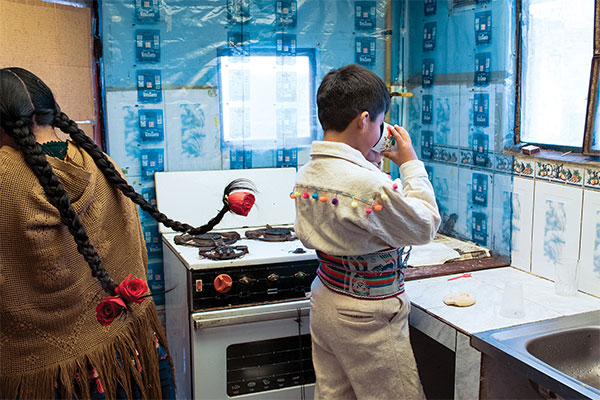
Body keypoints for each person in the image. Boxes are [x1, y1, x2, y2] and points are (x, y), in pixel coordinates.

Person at [0, 67, 255, 399]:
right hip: (132, 358)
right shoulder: (99, 160)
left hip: (61, 382)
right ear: (51, 111)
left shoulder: (6, 179)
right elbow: (136, 252)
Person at [293, 64, 441, 400]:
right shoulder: (366, 184)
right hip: (365, 315)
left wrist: (368, 160)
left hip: (328, 300)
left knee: (335, 394)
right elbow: (426, 224)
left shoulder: (309, 172)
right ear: (363, 121)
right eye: (378, 122)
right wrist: (410, 164)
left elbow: (351, 224)